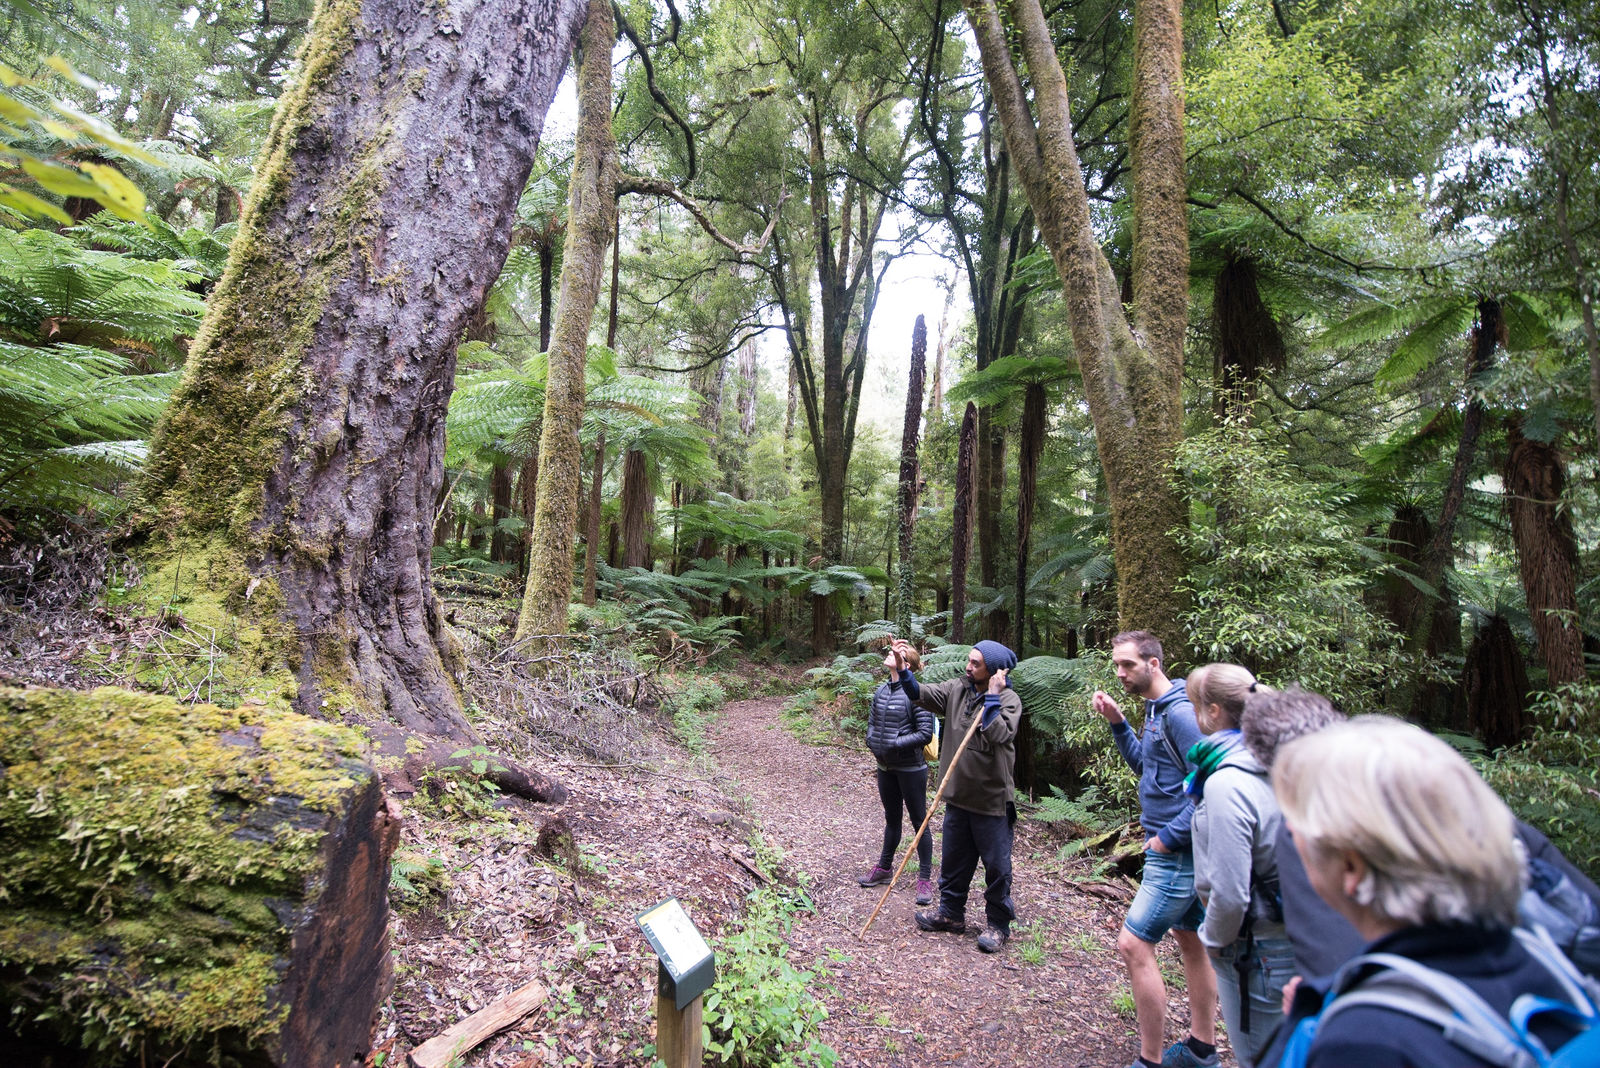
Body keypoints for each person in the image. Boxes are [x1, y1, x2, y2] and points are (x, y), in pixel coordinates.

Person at [1270, 716, 1587, 1067]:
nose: (1289, 830)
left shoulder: (1365, 1041)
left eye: (1296, 824)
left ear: (1352, 868)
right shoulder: (1544, 957)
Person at [1091, 630, 1219, 1068]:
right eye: (1117, 666)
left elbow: (1208, 785)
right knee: (1190, 939)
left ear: (1154, 664)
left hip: (1177, 851)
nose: (1121, 672)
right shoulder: (1155, 709)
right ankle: (1202, 1049)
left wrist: (1167, 837)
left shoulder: (1181, 714)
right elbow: (1148, 767)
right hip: (1176, 846)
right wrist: (1118, 723)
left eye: (1128, 664)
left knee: (1133, 944)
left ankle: (1150, 1061)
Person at [1184, 663, 1291, 1068]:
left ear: (1213, 712)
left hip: (1255, 948)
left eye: (1196, 706)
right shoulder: (1279, 760)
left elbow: (1230, 891)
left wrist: (1213, 939)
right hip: (1292, 933)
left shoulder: (1227, 781)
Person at [902, 638, 1022, 954]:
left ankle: (998, 925)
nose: (968, 667)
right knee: (954, 862)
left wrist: (993, 696)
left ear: (995, 670)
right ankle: (951, 914)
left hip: (991, 802)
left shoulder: (1009, 700)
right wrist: (903, 669)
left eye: (976, 663)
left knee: (997, 868)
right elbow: (919, 694)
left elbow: (999, 733)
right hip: (956, 796)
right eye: (969, 661)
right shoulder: (958, 690)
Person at [857, 640, 936, 906]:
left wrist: (893, 744)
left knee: (919, 822)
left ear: (908, 664)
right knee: (892, 819)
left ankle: (925, 878)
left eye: (898, 654)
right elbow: (871, 722)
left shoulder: (917, 694)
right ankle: (884, 867)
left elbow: (925, 734)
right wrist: (872, 741)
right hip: (885, 767)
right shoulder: (881, 690)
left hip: (911, 768)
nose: (891, 655)